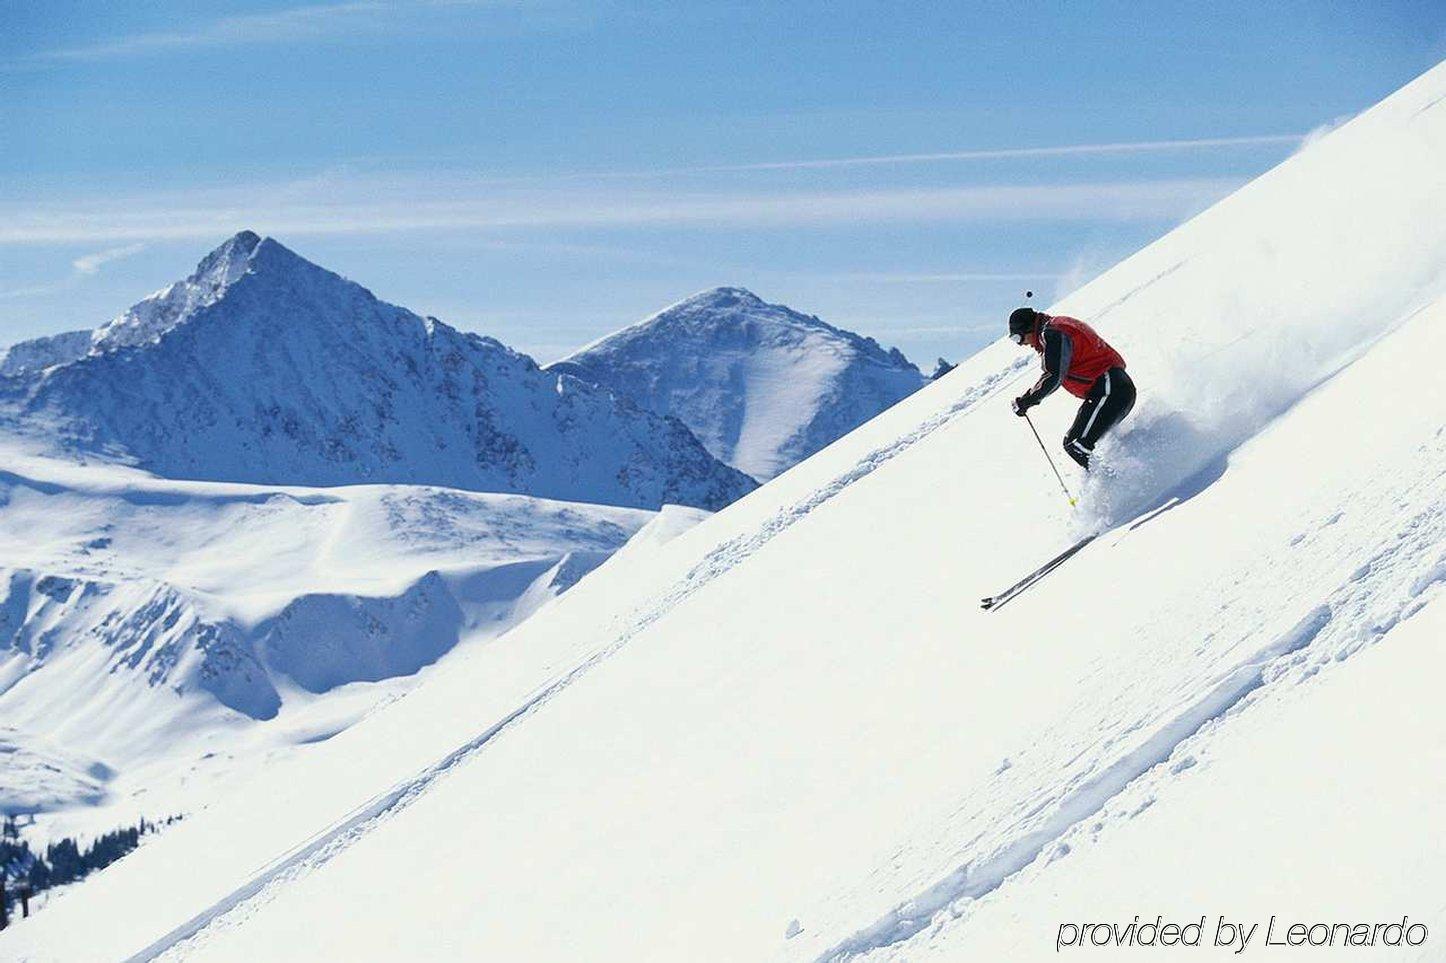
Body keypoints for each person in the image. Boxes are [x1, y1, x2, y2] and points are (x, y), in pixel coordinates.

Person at [1008, 307, 1135, 469]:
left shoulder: (1052, 332)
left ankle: (1115, 488)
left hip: (1110, 390)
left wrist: (1027, 400)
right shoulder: (1058, 325)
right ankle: (1128, 475)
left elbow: (1054, 375)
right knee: (1082, 443)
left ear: (1028, 328)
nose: (1022, 344)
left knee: (1076, 444)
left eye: (1018, 338)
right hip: (1111, 391)